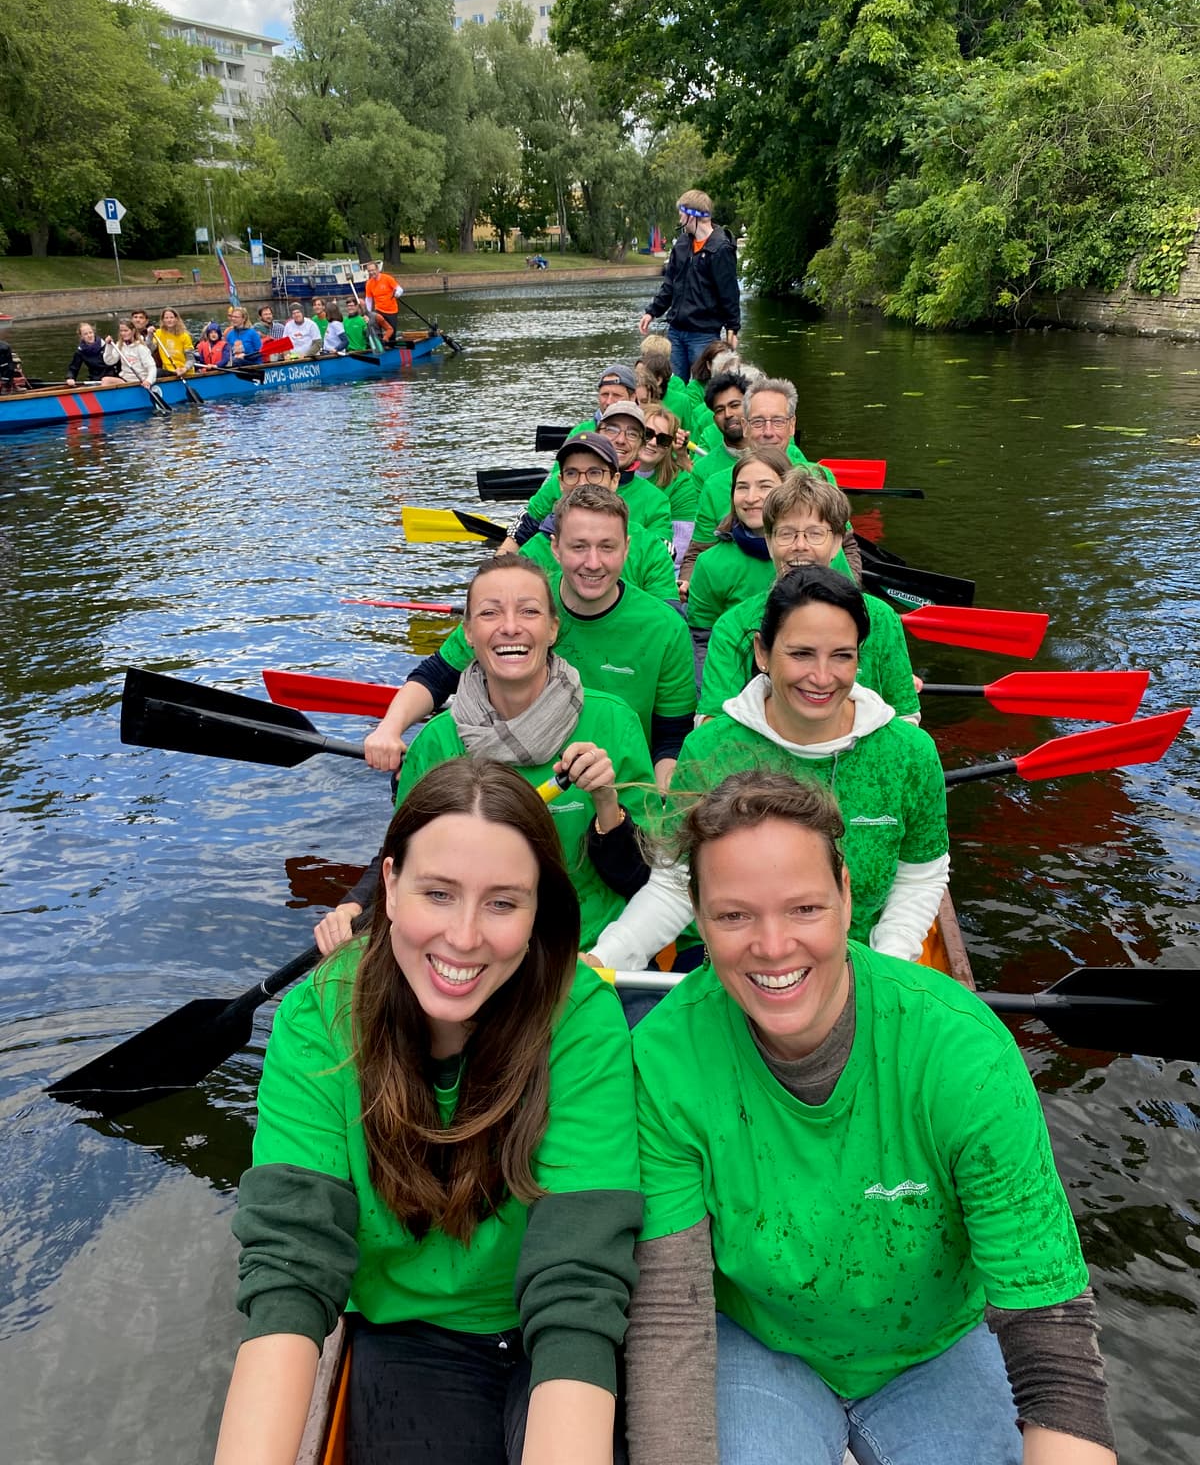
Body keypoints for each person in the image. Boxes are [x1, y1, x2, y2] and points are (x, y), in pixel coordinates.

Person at [625, 768, 1116, 1465]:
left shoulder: (960, 1051)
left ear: (848, 897)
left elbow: (1050, 1336)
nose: (772, 947)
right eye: (734, 915)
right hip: (761, 1345)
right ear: (699, 919)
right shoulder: (663, 1060)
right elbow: (672, 1311)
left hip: (934, 1347)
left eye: (804, 909)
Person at [216, 758, 642, 1465]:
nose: (465, 937)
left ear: (540, 913)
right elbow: (292, 1268)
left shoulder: (583, 1022)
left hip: (559, 1332)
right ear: (387, 885)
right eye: (438, 894)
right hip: (414, 1333)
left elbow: (576, 1287)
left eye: (503, 903)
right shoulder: (320, 1017)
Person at [590, 563, 949, 972]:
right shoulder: (712, 749)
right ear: (763, 652)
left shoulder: (910, 753)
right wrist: (606, 958)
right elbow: (674, 884)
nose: (821, 677)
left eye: (841, 657)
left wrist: (887, 968)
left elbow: (918, 879)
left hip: (862, 970)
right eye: (801, 654)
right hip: (740, 967)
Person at [321, 554, 657, 956]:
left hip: (587, 954)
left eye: (529, 611)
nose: (510, 627)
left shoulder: (615, 723)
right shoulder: (437, 741)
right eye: (490, 613)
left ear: (552, 628)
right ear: (468, 633)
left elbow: (641, 879)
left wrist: (606, 803)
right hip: (469, 951)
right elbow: (401, 854)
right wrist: (353, 905)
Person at [389, 487, 697, 795]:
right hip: (510, 781)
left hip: (613, 786)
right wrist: (391, 730)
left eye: (607, 547)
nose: (592, 563)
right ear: (555, 549)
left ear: (627, 549)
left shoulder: (666, 627)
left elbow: (671, 738)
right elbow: (437, 676)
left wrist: (659, 807)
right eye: (578, 547)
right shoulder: (522, 608)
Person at [700, 471, 919, 720]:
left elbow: (905, 717)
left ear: (837, 543)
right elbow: (712, 721)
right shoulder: (733, 625)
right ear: (770, 544)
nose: (800, 545)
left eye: (815, 534)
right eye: (786, 534)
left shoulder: (881, 618)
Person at [683, 377, 861, 584]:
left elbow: (847, 545)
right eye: (758, 422)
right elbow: (697, 552)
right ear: (745, 426)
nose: (768, 432)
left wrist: (851, 591)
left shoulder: (819, 477)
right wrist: (687, 584)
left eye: (778, 421)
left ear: (792, 425)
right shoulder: (714, 485)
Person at [518, 435, 679, 603]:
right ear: (561, 482)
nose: (582, 483)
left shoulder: (650, 548)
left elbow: (669, 621)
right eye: (571, 473)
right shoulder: (532, 553)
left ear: (614, 480)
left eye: (594, 473)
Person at [502, 401, 672, 554]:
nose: (620, 440)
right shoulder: (559, 482)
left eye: (632, 434)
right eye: (612, 429)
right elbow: (519, 535)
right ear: (598, 432)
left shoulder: (657, 501)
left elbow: (663, 556)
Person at [639, 190, 741, 381]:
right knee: (674, 385)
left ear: (692, 216)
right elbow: (669, 285)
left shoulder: (720, 248)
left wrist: (732, 329)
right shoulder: (682, 244)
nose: (679, 217)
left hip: (703, 333)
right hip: (676, 331)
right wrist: (652, 312)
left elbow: (729, 293)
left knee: (702, 386)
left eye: (681, 213)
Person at [686, 447, 790, 631]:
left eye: (765, 486)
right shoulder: (710, 564)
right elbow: (701, 639)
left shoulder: (821, 552)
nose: (750, 498)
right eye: (742, 487)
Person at [638, 403, 696, 567]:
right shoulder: (606, 471)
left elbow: (678, 551)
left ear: (670, 445)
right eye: (647, 434)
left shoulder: (681, 483)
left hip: (658, 567)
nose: (653, 442)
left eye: (663, 439)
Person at [100, 321, 158, 389]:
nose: (123, 333)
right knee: (105, 380)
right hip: (125, 380)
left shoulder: (141, 348)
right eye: (121, 331)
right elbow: (109, 361)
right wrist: (109, 346)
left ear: (133, 331)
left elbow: (152, 367)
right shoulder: (120, 345)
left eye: (126, 331)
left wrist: (149, 381)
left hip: (139, 380)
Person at [364, 260, 403, 343]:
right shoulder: (369, 283)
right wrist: (368, 313)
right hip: (379, 310)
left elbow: (399, 289)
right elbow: (368, 299)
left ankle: (391, 344)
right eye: (369, 271)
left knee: (391, 331)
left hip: (391, 310)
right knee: (375, 328)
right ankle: (379, 343)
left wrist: (397, 293)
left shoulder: (387, 278)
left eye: (373, 270)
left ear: (377, 269)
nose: (371, 273)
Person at [151, 306, 195, 374]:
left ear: (176, 319)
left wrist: (184, 369)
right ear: (163, 320)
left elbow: (191, 359)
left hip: (183, 371)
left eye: (171, 317)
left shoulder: (185, 336)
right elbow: (150, 349)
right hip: (168, 371)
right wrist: (149, 336)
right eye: (166, 318)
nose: (169, 320)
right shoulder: (158, 333)